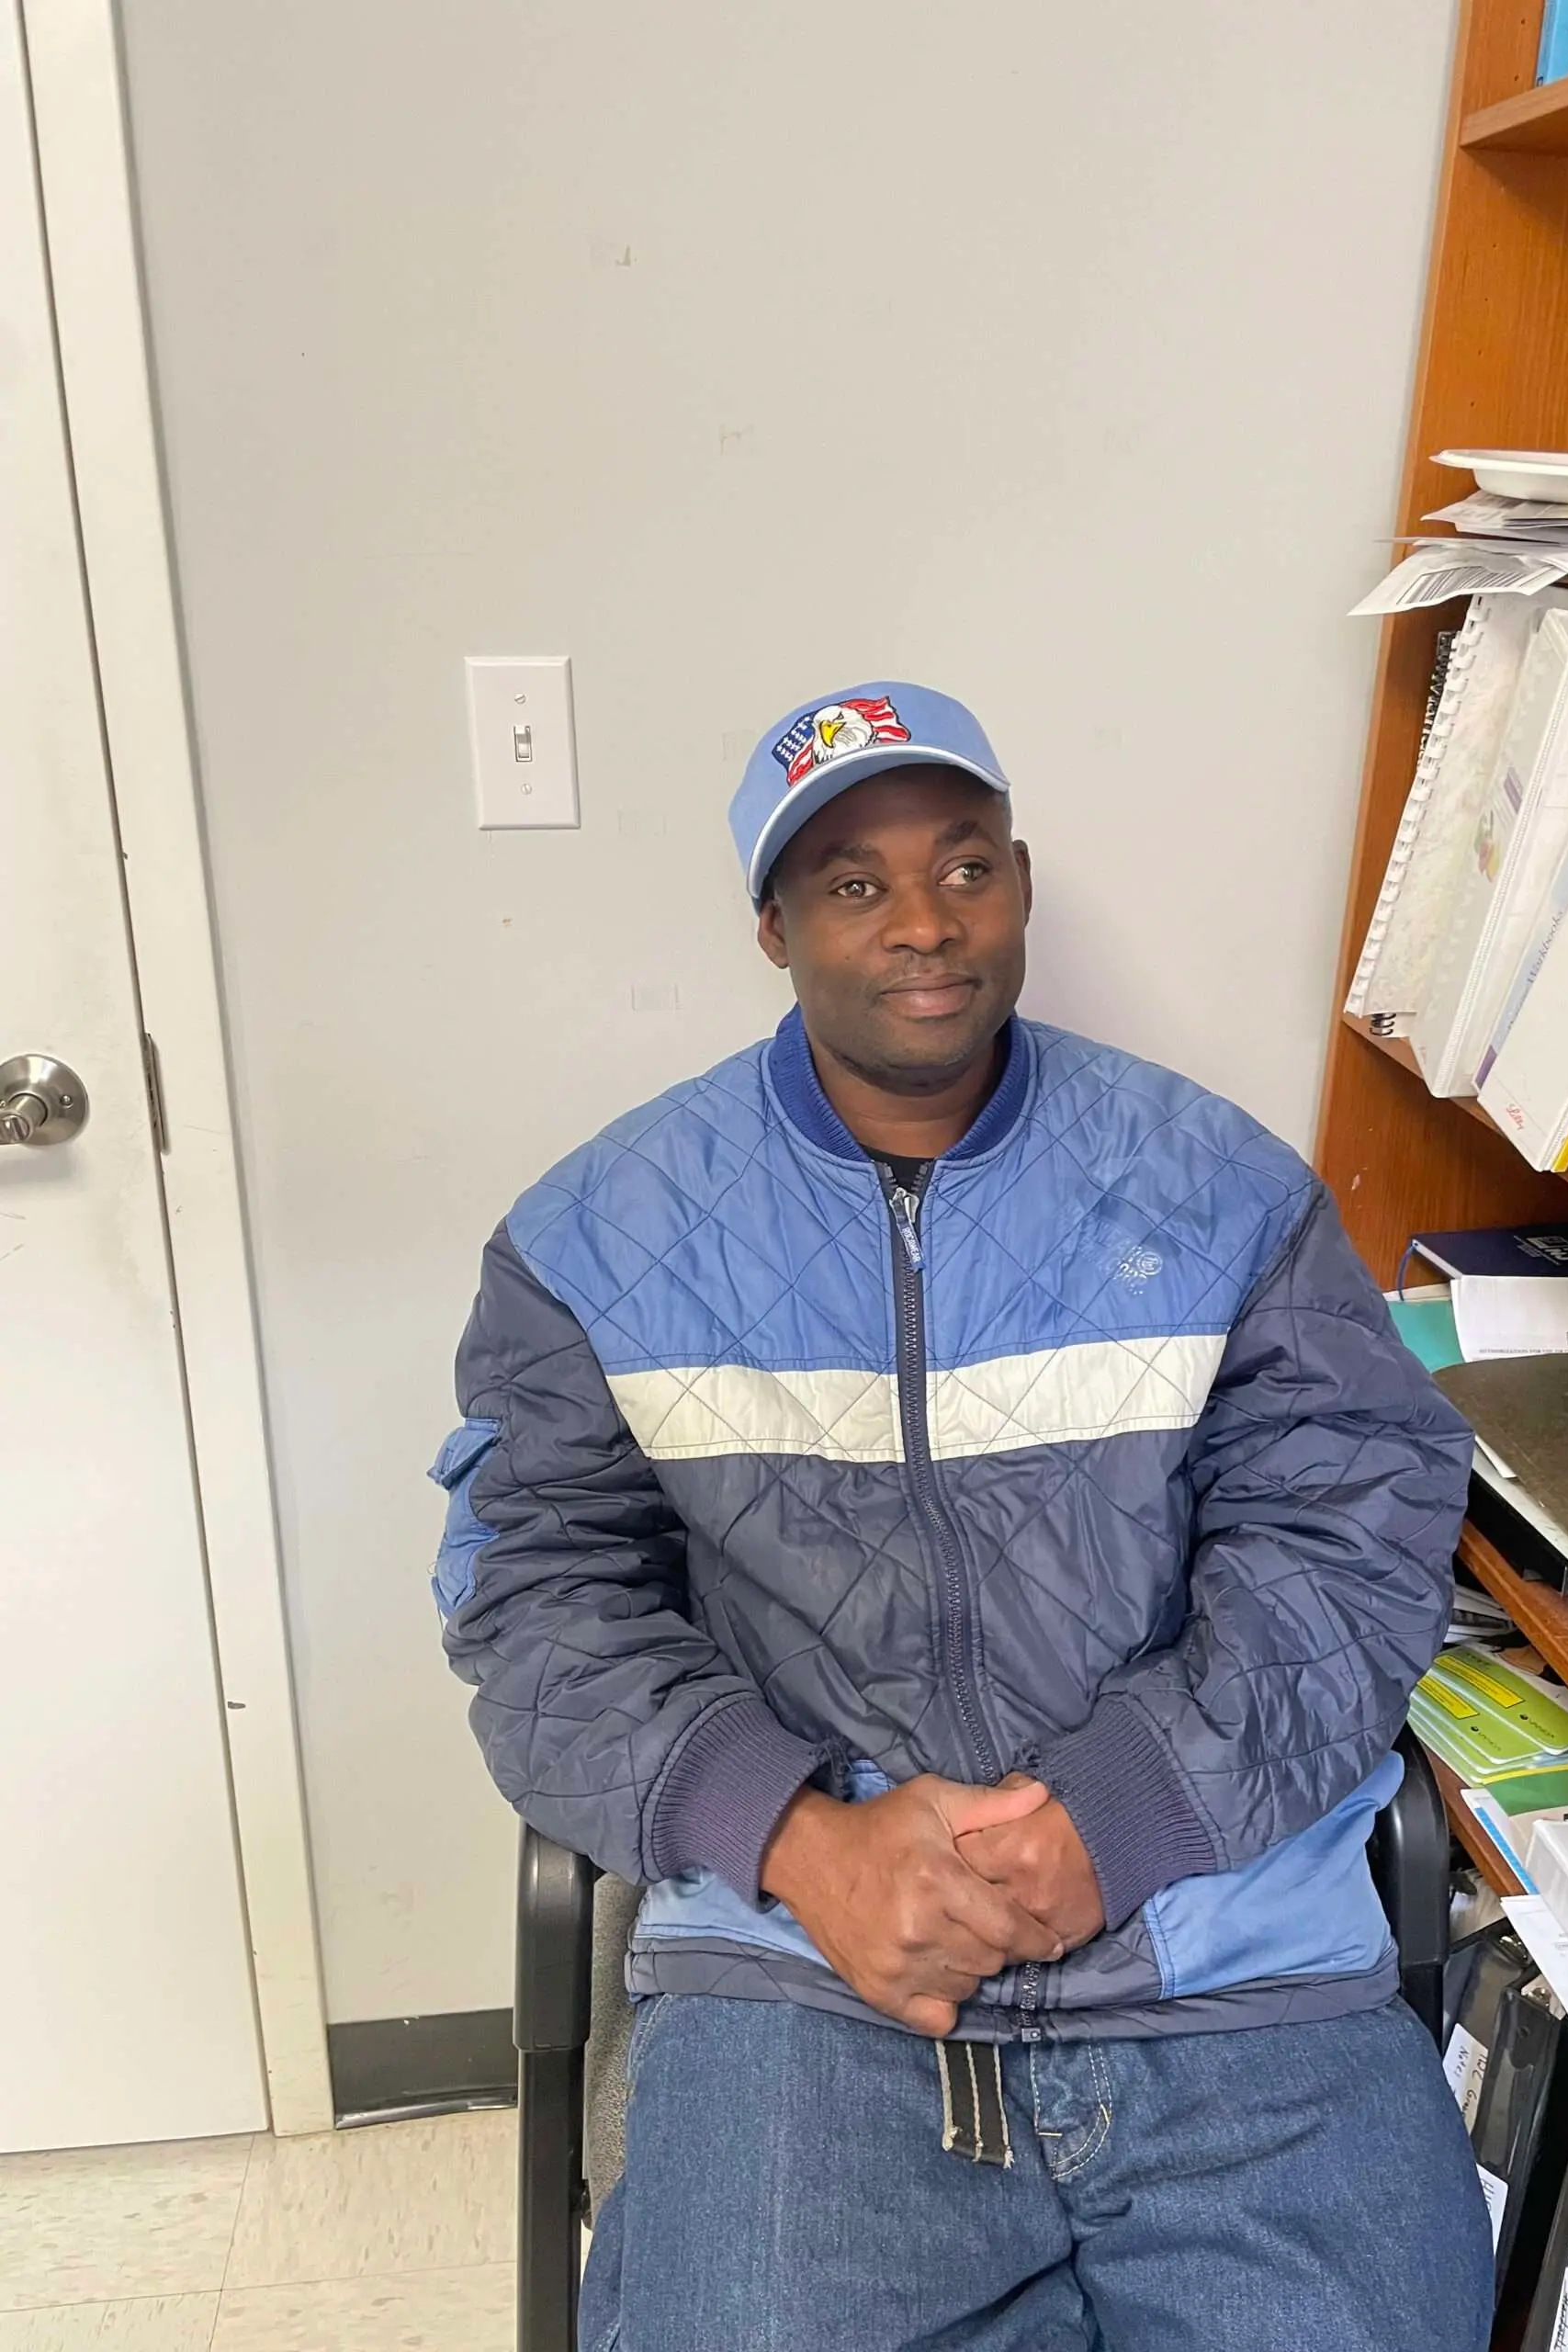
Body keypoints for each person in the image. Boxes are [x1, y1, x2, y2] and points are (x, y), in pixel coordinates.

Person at [432, 683, 1493, 2350]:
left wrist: (1119, 1813)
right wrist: (799, 1838)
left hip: (1221, 1949)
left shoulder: (1220, 1189)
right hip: (810, 1970)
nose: (926, 923)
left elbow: (1348, 1540)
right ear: (771, 926)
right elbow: (536, 1596)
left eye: (967, 867)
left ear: (1018, 883)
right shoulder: (594, 1234)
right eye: (854, 883)